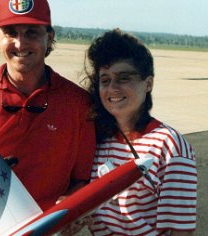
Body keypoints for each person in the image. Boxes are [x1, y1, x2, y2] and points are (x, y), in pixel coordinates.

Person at [0, 0, 96, 211]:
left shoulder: (78, 104)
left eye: (32, 33)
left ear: (49, 37)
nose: (20, 44)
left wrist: (71, 206)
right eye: (11, 33)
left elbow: (82, 180)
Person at [84, 29, 197, 235]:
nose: (112, 88)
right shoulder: (97, 139)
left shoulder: (170, 146)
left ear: (148, 84)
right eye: (105, 79)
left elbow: (181, 231)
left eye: (123, 78)